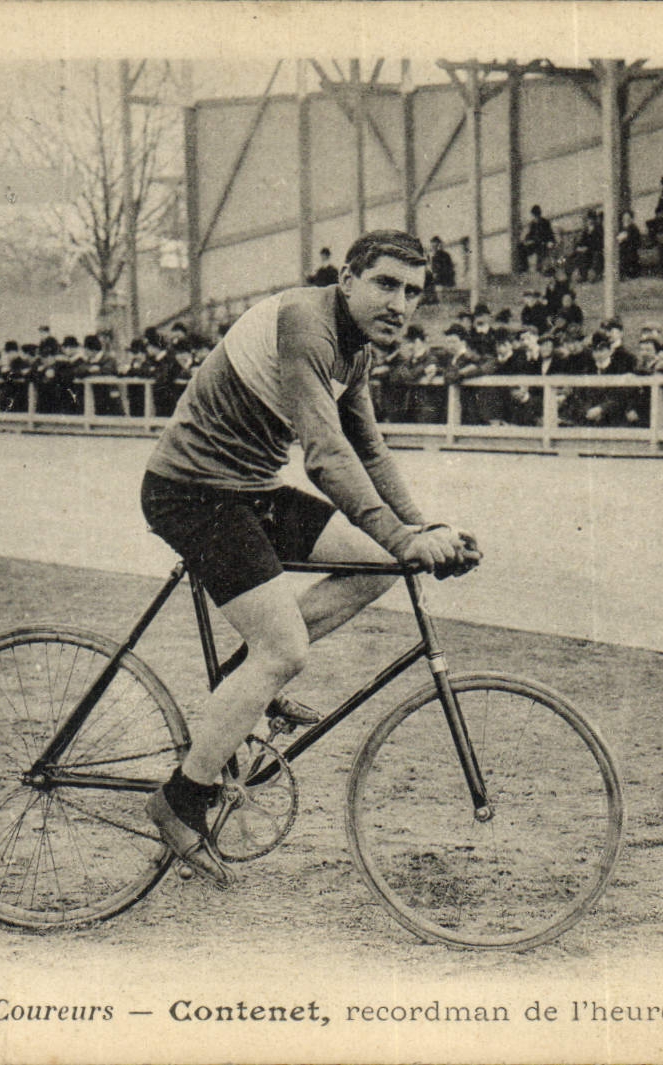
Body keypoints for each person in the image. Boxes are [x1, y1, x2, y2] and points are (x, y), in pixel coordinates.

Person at [139, 230, 480, 885]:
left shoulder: (357, 347)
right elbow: (325, 457)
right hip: (190, 491)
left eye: (412, 292)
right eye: (385, 284)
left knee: (377, 566)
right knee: (286, 650)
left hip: (248, 489)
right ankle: (179, 800)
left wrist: (419, 530)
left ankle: (243, 680)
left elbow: (367, 449)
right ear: (346, 280)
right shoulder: (306, 323)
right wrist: (406, 537)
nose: (399, 304)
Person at [519, 205, 558, 274]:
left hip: (543, 244)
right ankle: (524, 268)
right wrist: (526, 240)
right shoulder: (533, 223)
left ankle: (540, 268)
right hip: (534, 244)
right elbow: (530, 235)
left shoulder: (545, 222)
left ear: (539, 214)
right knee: (521, 247)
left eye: (537, 215)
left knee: (541, 249)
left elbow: (550, 234)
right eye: (534, 215)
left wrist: (551, 242)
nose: (536, 217)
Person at [424, 236, 457, 304]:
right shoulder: (430, 255)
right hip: (436, 281)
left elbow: (448, 268)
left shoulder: (444, 255)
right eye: (433, 245)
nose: (434, 247)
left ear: (439, 245)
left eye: (436, 245)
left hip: (443, 281)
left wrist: (437, 274)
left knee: (443, 297)